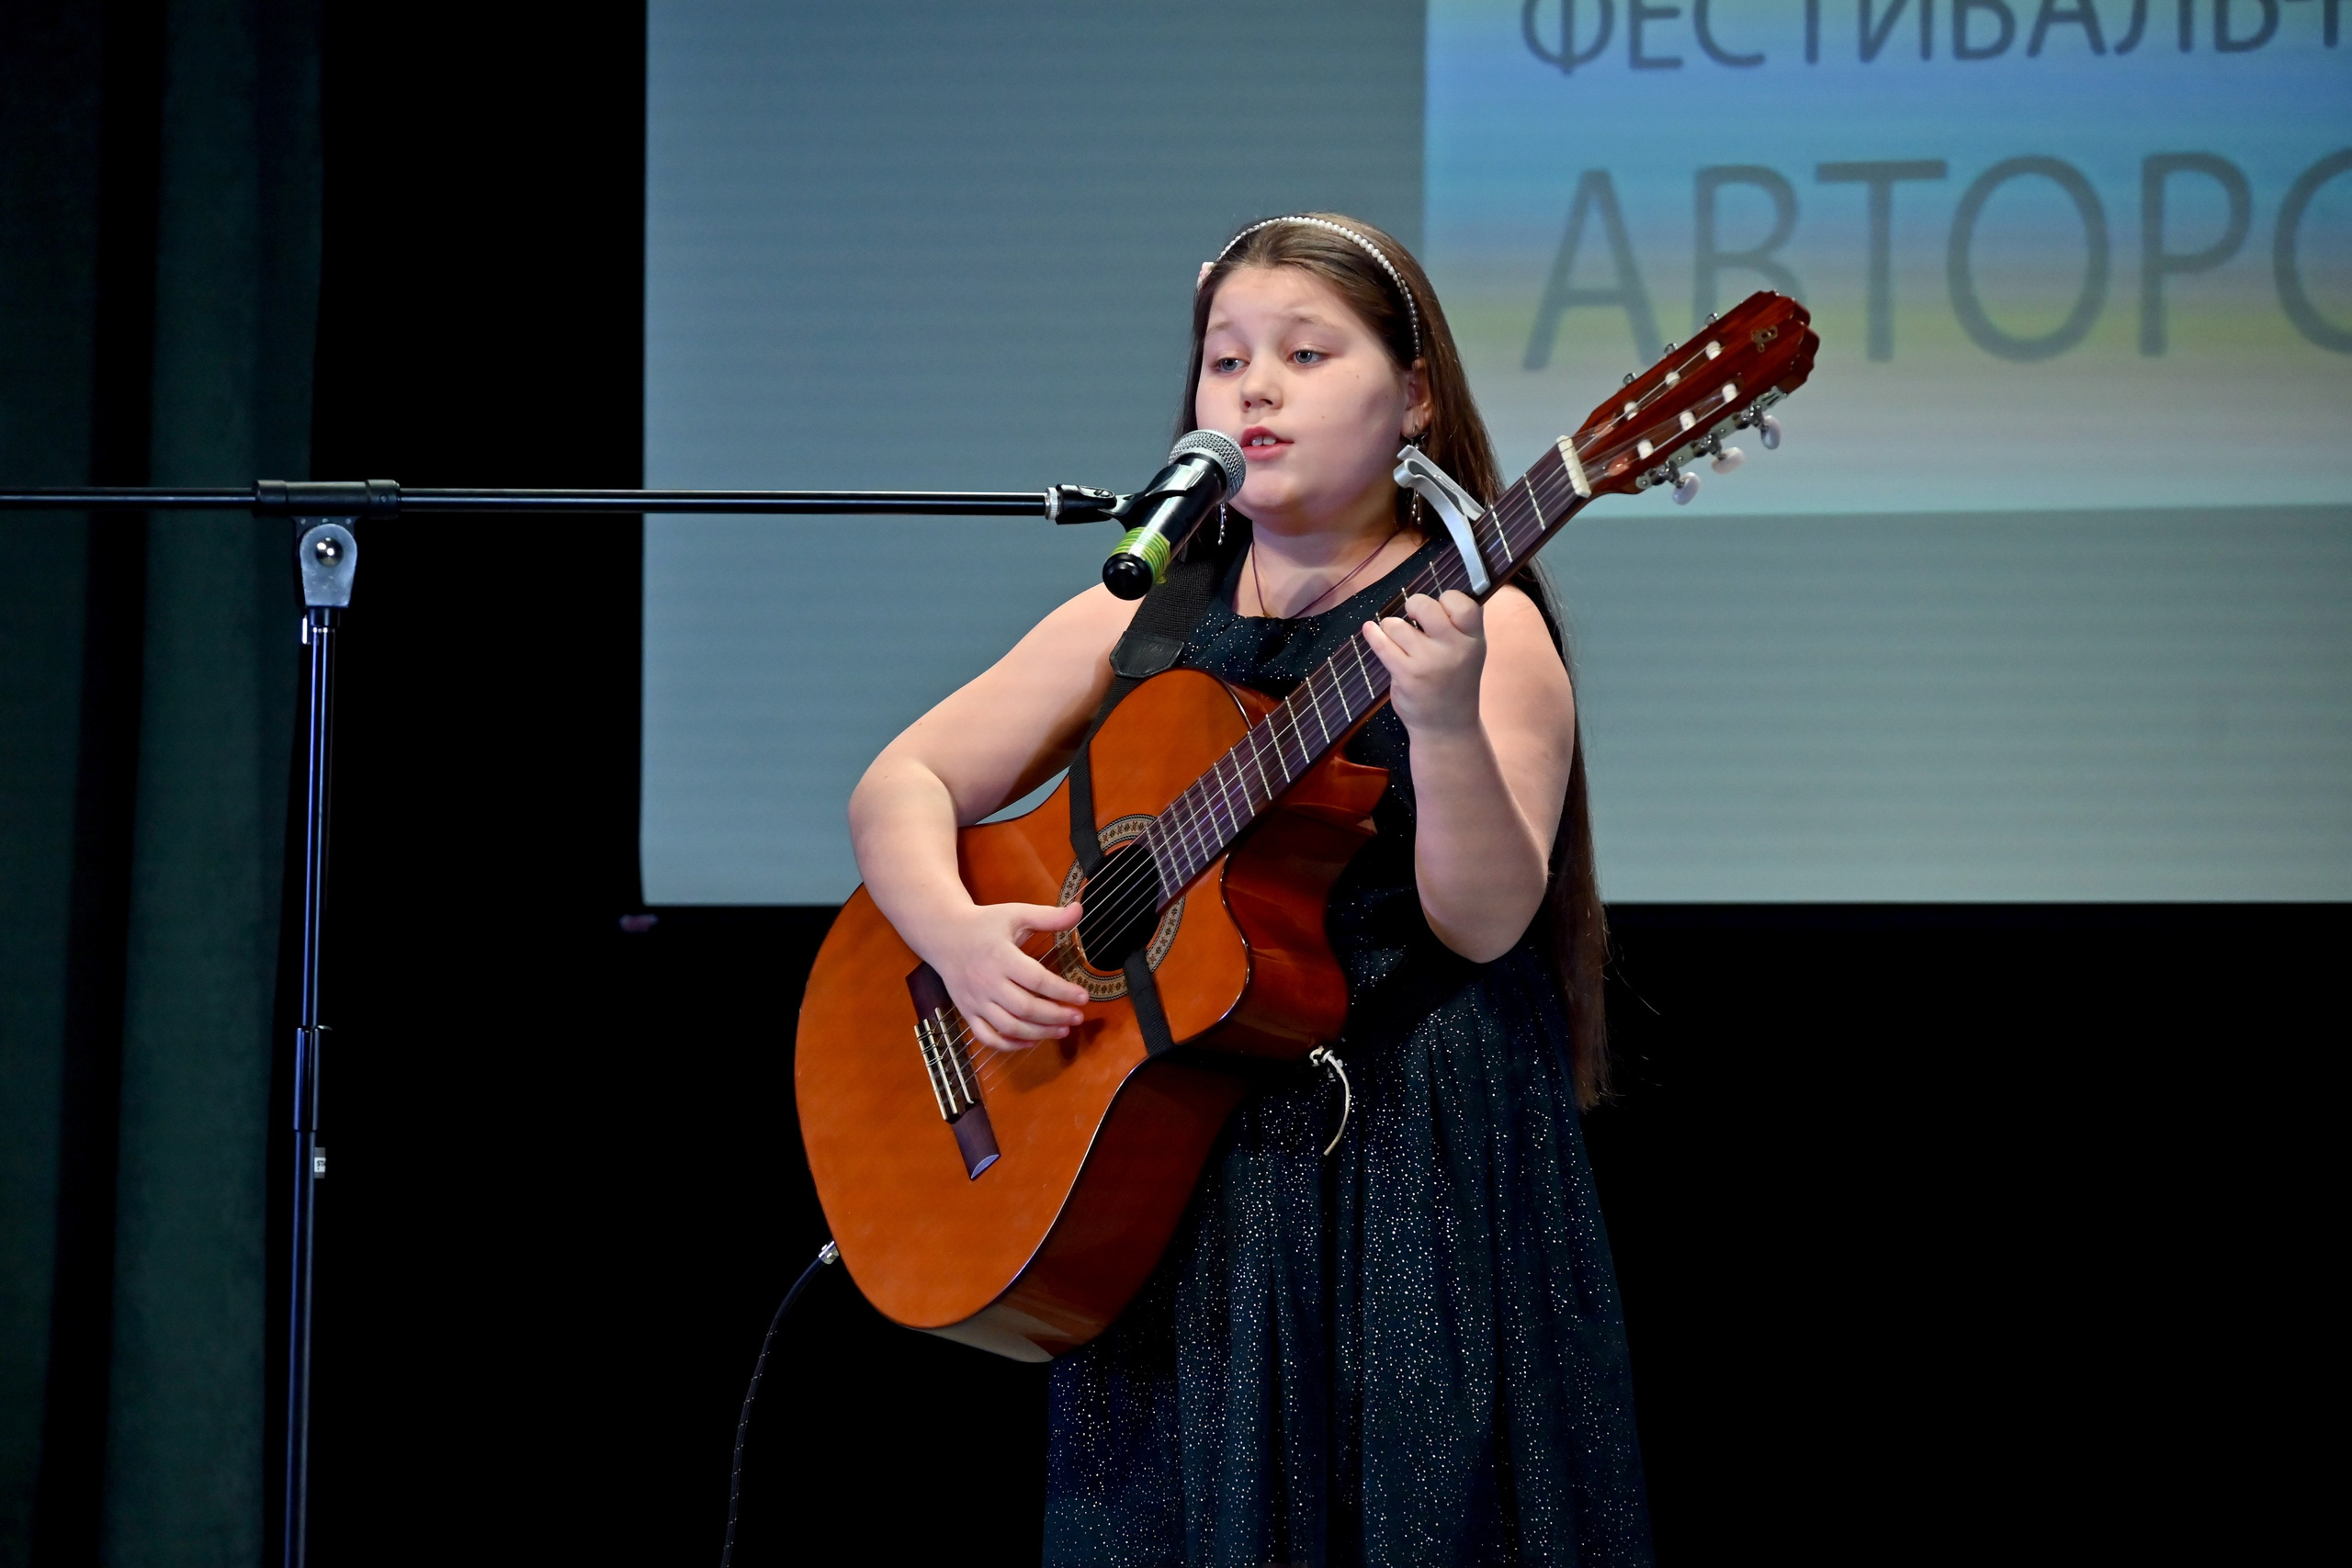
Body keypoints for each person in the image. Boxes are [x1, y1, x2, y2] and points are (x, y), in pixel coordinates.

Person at [848, 214, 1651, 1567]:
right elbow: (903, 781)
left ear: (1414, 399)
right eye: (1226, 361)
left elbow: (1483, 921)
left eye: (1305, 354)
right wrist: (958, 938)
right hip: (1175, 1192)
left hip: (1409, 1174)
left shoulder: (1486, 624)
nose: (1254, 389)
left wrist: (1445, 721)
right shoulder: (1148, 611)